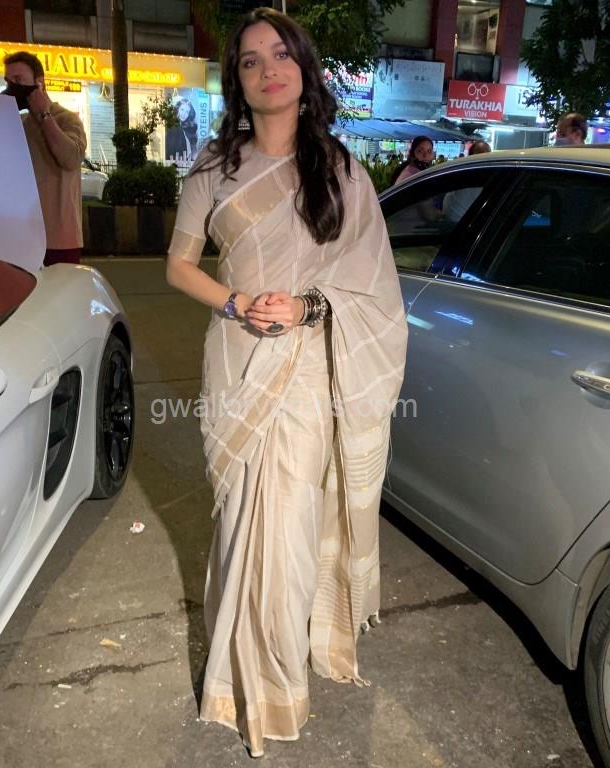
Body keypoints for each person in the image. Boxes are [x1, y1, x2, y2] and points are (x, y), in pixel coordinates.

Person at [165, 8, 407, 758]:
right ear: (237, 82)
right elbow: (178, 267)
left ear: (304, 70)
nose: (267, 69)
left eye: (280, 55)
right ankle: (233, 685)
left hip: (306, 369)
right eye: (249, 61)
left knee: (292, 531)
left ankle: (278, 688)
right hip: (236, 359)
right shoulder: (213, 166)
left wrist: (306, 307)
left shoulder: (341, 171)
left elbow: (371, 284)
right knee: (240, 525)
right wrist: (236, 303)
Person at [3, 51, 86, 266]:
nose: (13, 87)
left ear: (39, 82)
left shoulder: (67, 120)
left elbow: (70, 158)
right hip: (24, 235)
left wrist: (45, 116)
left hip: (59, 239)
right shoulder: (19, 124)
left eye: (18, 80)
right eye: (8, 81)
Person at [442, 140, 491, 224]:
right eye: (480, 155)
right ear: (471, 157)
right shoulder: (469, 177)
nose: (484, 159)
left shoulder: (464, 174)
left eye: (487, 155)